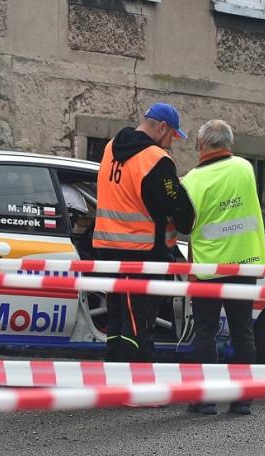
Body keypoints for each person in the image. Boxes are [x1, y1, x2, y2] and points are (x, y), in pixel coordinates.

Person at [93, 103, 194, 362]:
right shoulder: (155, 159)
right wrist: (186, 218)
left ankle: (114, 376)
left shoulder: (110, 147)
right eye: (173, 134)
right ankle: (139, 383)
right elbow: (176, 206)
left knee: (116, 318)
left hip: (107, 248)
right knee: (140, 322)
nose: (173, 141)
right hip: (142, 253)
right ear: (162, 127)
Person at [181, 119, 265, 415]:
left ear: (201, 145)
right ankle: (242, 399)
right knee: (243, 331)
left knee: (205, 332)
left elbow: (185, 224)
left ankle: (205, 399)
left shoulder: (191, 180)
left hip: (208, 268)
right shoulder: (245, 168)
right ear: (228, 143)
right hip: (244, 264)